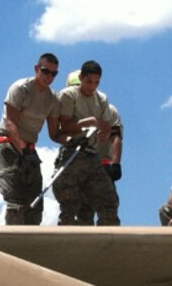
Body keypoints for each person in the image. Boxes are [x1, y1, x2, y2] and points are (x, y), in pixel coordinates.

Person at [0, 53, 65, 225]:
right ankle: (14, 242)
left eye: (54, 74)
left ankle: (31, 246)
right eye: (45, 71)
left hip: (29, 149)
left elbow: (54, 133)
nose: (49, 77)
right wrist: (23, 149)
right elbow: (10, 123)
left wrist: (74, 140)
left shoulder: (52, 98)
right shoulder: (21, 88)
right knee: (16, 199)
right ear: (36, 69)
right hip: (9, 145)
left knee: (35, 202)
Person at [53, 61, 120, 226]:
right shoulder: (68, 95)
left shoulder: (102, 98)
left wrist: (105, 132)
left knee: (108, 201)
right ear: (81, 78)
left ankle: (107, 245)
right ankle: (68, 244)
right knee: (70, 205)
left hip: (93, 155)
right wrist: (87, 123)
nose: (92, 86)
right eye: (89, 82)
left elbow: (107, 128)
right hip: (73, 153)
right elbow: (64, 127)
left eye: (96, 82)